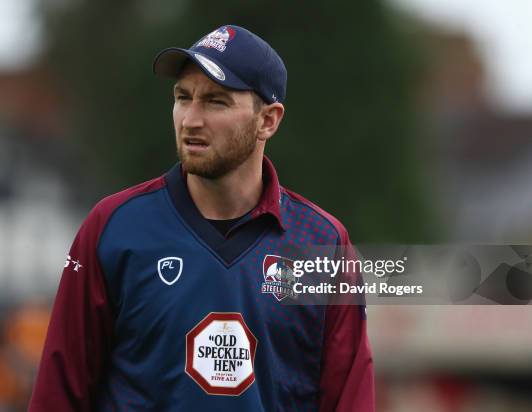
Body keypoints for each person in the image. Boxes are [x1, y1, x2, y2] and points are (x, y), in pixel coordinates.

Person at [29, 24, 374, 411]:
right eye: (183, 97)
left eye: (216, 101)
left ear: (268, 121)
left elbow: (350, 399)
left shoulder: (322, 244)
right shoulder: (113, 228)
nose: (190, 119)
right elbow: (58, 395)